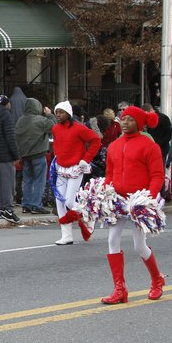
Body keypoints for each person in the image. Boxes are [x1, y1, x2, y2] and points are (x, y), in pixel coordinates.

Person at [100, 106, 166, 304]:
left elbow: (157, 176)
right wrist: (105, 191)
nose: (124, 122)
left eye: (129, 119)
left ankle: (157, 279)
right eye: (122, 119)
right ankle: (119, 289)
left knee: (139, 245)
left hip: (138, 202)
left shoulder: (149, 146)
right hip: (118, 201)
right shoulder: (114, 146)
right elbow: (109, 174)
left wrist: (148, 199)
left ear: (139, 123)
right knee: (112, 240)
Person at [50, 100, 101, 246]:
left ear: (68, 114)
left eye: (61, 112)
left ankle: (87, 217)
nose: (58, 115)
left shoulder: (79, 128)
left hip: (76, 168)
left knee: (70, 201)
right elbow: (58, 146)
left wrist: (86, 159)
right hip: (61, 169)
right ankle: (66, 235)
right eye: (56, 112)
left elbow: (96, 140)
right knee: (59, 201)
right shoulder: (55, 128)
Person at [15, 97, 54, 214]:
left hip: (25, 156)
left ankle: (26, 204)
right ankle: (36, 205)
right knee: (39, 180)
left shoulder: (20, 120)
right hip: (38, 154)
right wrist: (50, 115)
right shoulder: (40, 120)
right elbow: (53, 127)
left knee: (27, 180)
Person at [0, 95, 20, 224]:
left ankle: (1, 209)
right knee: (8, 183)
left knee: (0, 183)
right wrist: (16, 154)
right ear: (6, 104)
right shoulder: (6, 116)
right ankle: (8, 209)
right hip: (6, 154)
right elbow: (10, 136)